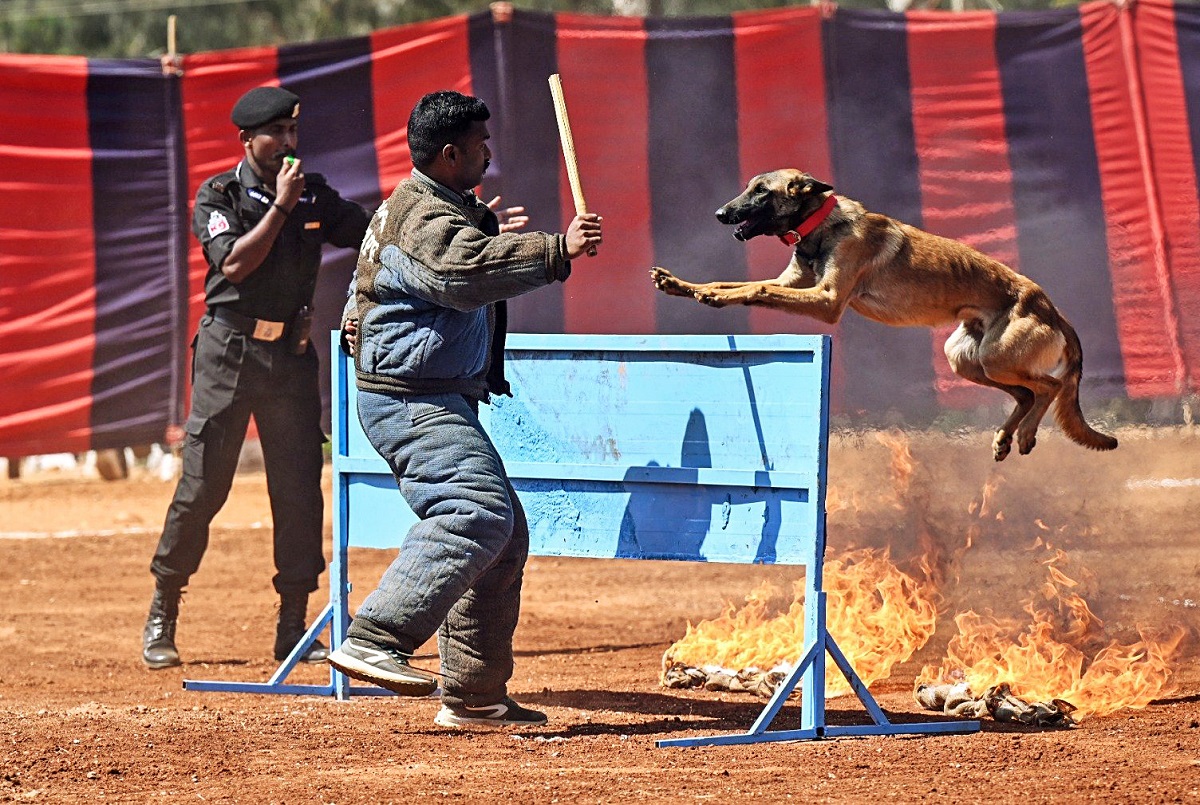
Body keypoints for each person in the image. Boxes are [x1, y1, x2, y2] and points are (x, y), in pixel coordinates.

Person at [327, 90, 602, 728]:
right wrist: (556, 249)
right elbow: (459, 276)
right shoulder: (424, 218)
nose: (490, 153)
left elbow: (370, 277)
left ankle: (475, 694)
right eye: (482, 145)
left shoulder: (427, 206)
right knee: (476, 513)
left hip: (427, 392)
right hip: (410, 400)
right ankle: (376, 636)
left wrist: (354, 320)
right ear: (450, 154)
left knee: (503, 538)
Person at [141, 86, 371, 670]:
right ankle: (165, 605)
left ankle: (293, 625)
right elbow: (236, 263)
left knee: (297, 489)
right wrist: (281, 209)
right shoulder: (218, 195)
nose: (290, 144)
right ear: (247, 139)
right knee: (203, 486)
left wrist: (460, 222)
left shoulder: (312, 193)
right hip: (229, 351)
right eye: (278, 134)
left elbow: (373, 231)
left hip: (290, 357)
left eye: (294, 133)